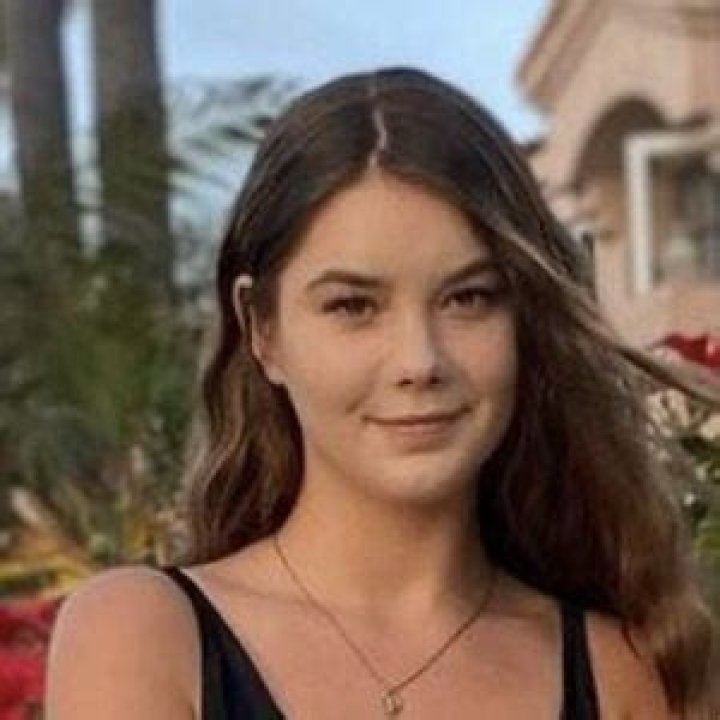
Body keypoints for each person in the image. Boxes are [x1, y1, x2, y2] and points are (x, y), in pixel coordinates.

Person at [45, 67, 718, 719]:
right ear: (262, 330)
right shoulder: (143, 638)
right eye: (353, 306)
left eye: (468, 298)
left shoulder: (628, 671)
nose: (420, 361)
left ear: (525, 320)